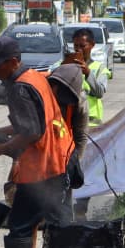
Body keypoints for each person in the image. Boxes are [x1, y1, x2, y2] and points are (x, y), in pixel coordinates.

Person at [0, 36, 72, 248]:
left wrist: (3, 148)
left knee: (20, 225)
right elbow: (35, 121)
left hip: (41, 167)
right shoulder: (34, 77)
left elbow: (32, 131)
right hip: (59, 159)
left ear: (13, 61)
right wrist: (2, 131)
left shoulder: (19, 87)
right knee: (61, 224)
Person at [49, 63, 89, 216]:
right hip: (39, 154)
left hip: (64, 153)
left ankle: (62, 232)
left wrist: (73, 165)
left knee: (63, 206)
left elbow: (81, 135)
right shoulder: (38, 92)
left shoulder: (79, 101)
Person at [64, 27, 111, 126]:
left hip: (91, 124)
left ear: (92, 45)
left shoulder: (100, 68)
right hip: (69, 122)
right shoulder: (64, 65)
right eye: (76, 45)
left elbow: (99, 93)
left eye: (82, 46)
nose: (78, 49)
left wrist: (88, 73)